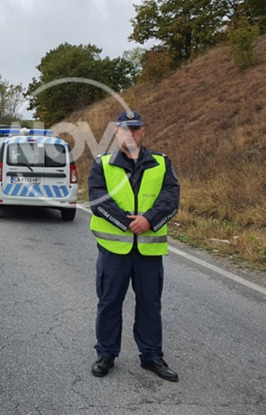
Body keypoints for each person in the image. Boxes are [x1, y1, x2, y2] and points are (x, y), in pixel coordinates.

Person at [88, 110, 181, 382]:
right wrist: (126, 223)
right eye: (125, 129)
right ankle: (105, 354)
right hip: (114, 251)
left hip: (148, 252)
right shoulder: (102, 163)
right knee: (109, 303)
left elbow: (171, 198)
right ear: (116, 132)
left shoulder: (161, 163)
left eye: (135, 128)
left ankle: (152, 356)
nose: (130, 133)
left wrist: (148, 220)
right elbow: (97, 200)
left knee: (150, 304)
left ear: (143, 131)